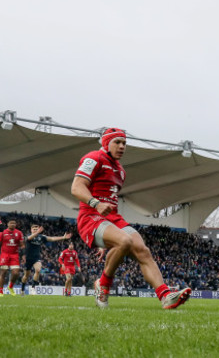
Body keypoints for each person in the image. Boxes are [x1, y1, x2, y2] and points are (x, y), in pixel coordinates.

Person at [70, 127, 191, 309]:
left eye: (124, 143)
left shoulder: (120, 170)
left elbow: (111, 201)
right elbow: (76, 187)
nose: (122, 146)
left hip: (112, 218)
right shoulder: (93, 158)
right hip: (91, 216)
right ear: (106, 143)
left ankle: (165, 295)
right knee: (124, 241)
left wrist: (108, 240)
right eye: (117, 142)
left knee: (143, 250)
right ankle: (103, 286)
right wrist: (96, 203)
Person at [21, 224, 72, 294]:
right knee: (26, 276)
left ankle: (33, 287)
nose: (35, 230)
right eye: (34, 229)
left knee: (38, 270)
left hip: (36, 258)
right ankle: (22, 289)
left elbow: (52, 238)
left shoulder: (41, 237)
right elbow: (29, 238)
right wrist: (37, 232)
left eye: (37, 229)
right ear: (31, 230)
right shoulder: (29, 236)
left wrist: (63, 237)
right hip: (28, 259)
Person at [0, 218, 25, 297]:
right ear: (8, 224)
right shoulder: (2, 233)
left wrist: (23, 255)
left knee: (16, 273)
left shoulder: (19, 233)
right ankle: (1, 292)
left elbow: (22, 245)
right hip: (4, 255)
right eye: (11, 223)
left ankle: (10, 286)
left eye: (14, 223)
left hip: (14, 255)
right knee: (3, 273)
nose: (13, 225)